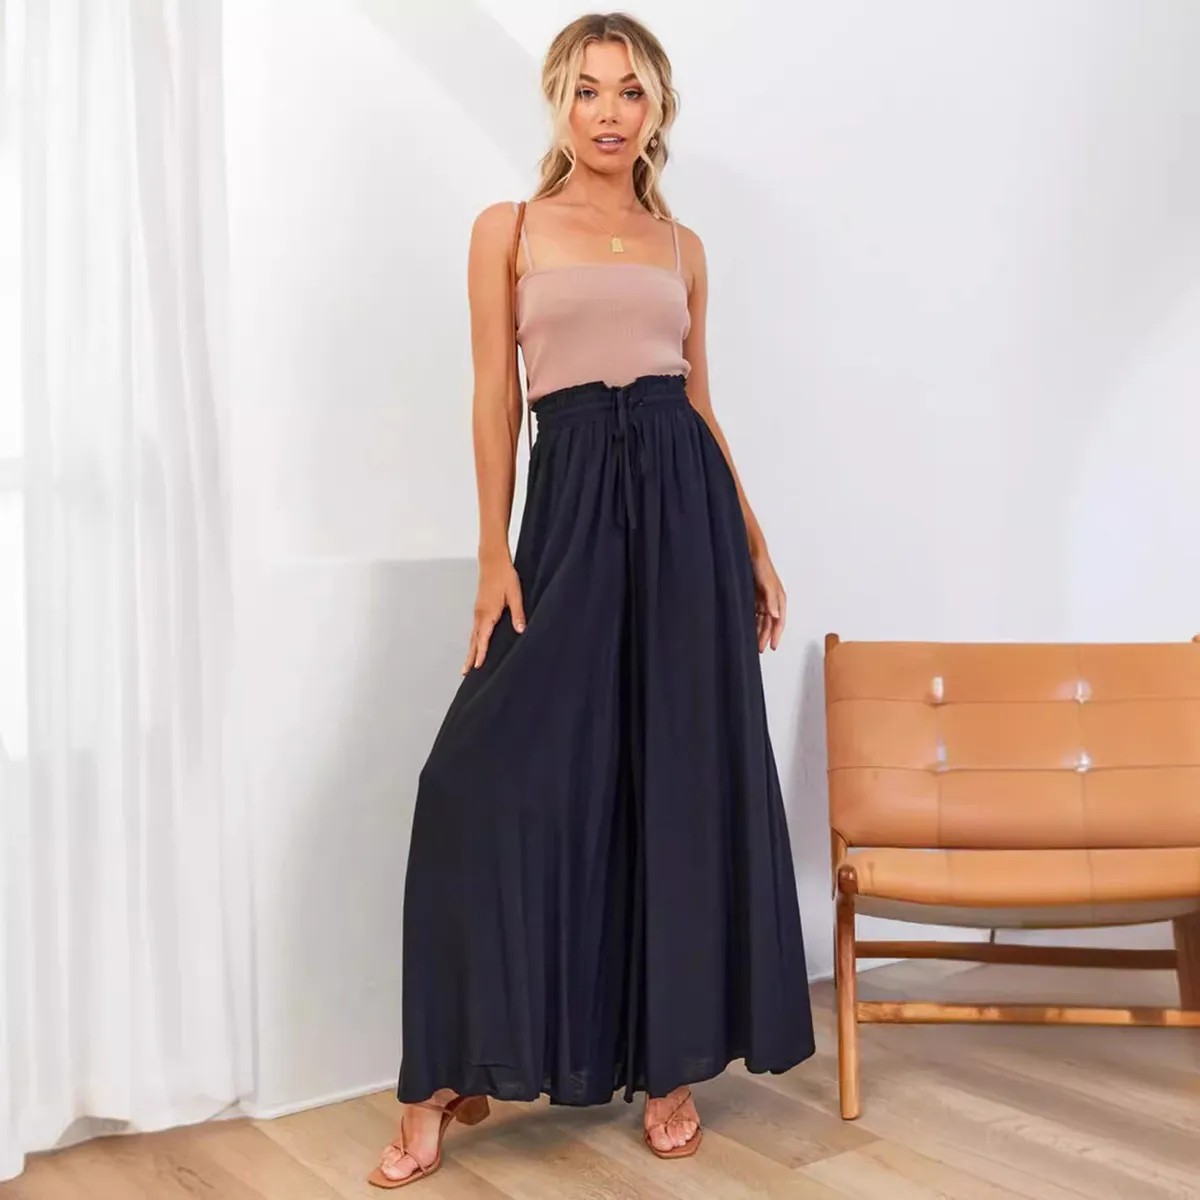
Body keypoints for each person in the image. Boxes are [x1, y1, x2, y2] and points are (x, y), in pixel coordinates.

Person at [370, 11, 815, 1189]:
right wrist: (492, 552)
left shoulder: (682, 247)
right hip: (567, 512)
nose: (609, 112)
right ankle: (439, 1077)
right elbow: (493, 397)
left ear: (656, 109)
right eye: (586, 90)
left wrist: (755, 544)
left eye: (629, 91)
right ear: (558, 105)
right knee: (466, 784)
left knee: (672, 784)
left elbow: (700, 403)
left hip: (685, 516)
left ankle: (668, 1064)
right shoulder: (507, 229)